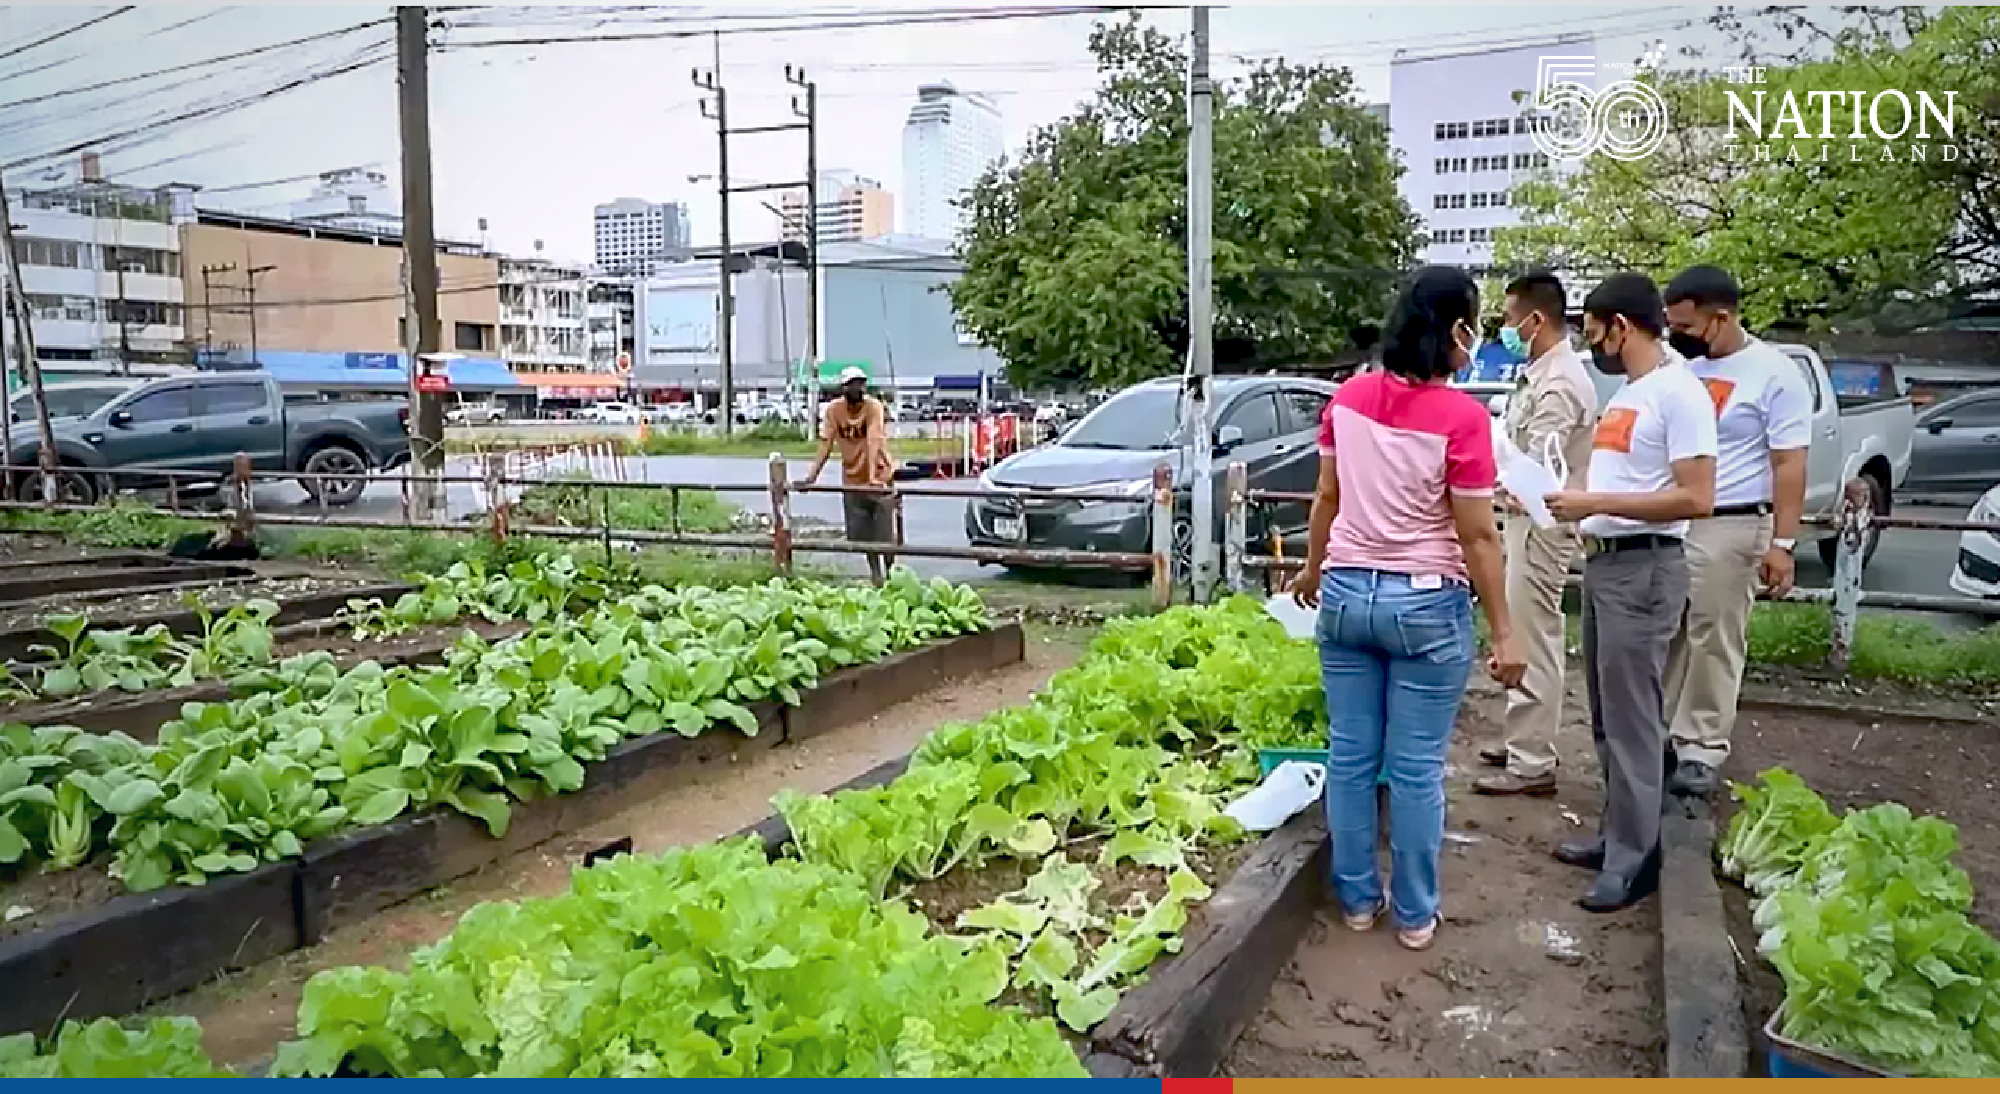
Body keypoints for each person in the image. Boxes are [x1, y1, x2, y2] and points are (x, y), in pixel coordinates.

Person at [1290, 266, 1525, 952]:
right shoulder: (1464, 419)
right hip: (1424, 604)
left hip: (1345, 595)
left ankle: (1358, 901)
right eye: (1474, 325)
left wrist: (1312, 569)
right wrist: (1504, 631)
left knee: (1351, 757)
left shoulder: (1347, 399)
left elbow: (1326, 498)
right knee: (1417, 766)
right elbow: (1477, 536)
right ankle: (1415, 915)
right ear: (1457, 331)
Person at [1544, 273, 1717, 913]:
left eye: (1594, 331)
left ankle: (1635, 859)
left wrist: (1595, 502)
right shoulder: (1633, 393)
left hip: (1645, 567)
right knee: (1606, 715)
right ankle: (1618, 833)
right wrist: (1576, 505)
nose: (1591, 344)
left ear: (1621, 326)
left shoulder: (1680, 393)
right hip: (1607, 565)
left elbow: (1697, 497)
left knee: (1634, 720)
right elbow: (1625, 480)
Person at [1661, 266, 1811, 798]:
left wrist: (1782, 543)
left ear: (1720, 318)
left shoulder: (1774, 375)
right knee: (1667, 630)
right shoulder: (1679, 369)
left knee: (1715, 636)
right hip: (1672, 518)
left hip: (1730, 519)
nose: (1676, 334)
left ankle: (1701, 746)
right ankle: (1663, 733)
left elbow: (1790, 463)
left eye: (1685, 325)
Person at [1474, 272, 1600, 798]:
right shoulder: (1540, 374)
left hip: (1543, 519)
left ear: (1535, 319)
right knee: (1523, 626)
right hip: (1525, 515)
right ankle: (1522, 737)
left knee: (1533, 633)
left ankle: (1532, 761)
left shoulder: (1561, 383)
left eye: (1509, 319)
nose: (1505, 329)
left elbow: (1540, 462)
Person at [801, 366, 898, 583]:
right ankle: (875, 575)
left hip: (879, 475)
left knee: (884, 532)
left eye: (861, 383)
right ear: (843, 388)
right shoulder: (834, 410)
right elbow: (825, 444)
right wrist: (811, 477)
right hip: (853, 478)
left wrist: (873, 477)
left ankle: (891, 573)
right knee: (863, 534)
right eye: (852, 384)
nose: (857, 388)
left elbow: (874, 440)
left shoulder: (873, 407)